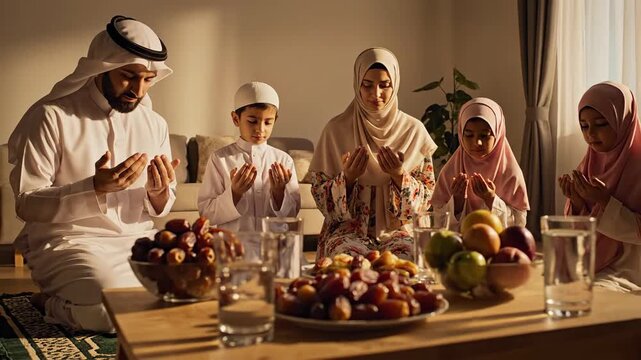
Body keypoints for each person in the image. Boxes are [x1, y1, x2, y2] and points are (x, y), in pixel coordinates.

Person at [8, 15, 178, 332]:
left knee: (199, 293)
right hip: (70, 243)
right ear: (103, 66)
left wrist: (158, 193)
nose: (138, 90)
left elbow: (163, 202)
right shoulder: (52, 116)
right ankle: (49, 303)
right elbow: (26, 204)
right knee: (115, 313)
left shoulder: (154, 124)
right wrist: (94, 188)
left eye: (148, 79)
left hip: (139, 242)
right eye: (129, 76)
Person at [308, 47, 437, 260]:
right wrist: (347, 179)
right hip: (348, 231)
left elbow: (428, 198)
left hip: (400, 231)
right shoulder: (336, 129)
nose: (375, 94)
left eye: (384, 85)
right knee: (346, 260)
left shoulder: (414, 131)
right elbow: (320, 197)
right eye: (367, 85)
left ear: (394, 84)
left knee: (408, 259)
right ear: (357, 83)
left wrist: (398, 175)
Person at [558, 81, 641, 292]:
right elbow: (583, 232)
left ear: (623, 120)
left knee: (588, 294)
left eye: (601, 124)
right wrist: (577, 202)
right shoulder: (589, 163)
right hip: (593, 261)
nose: (590, 134)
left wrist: (604, 201)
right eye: (584, 126)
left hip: (632, 267)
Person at [198, 82, 301, 232]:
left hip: (272, 248)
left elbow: (293, 214)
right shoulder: (220, 159)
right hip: (234, 247)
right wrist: (234, 193)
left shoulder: (284, 161)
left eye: (268, 122)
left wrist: (279, 193)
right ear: (235, 119)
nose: (260, 129)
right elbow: (206, 214)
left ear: (275, 120)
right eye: (252, 121)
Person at [431, 98, 529, 230]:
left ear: (498, 134)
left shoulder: (510, 173)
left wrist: (491, 199)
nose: (477, 143)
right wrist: (457, 201)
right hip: (457, 246)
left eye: (484, 135)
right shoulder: (451, 171)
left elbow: (519, 225)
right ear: (461, 134)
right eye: (469, 135)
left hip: (497, 246)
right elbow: (437, 222)